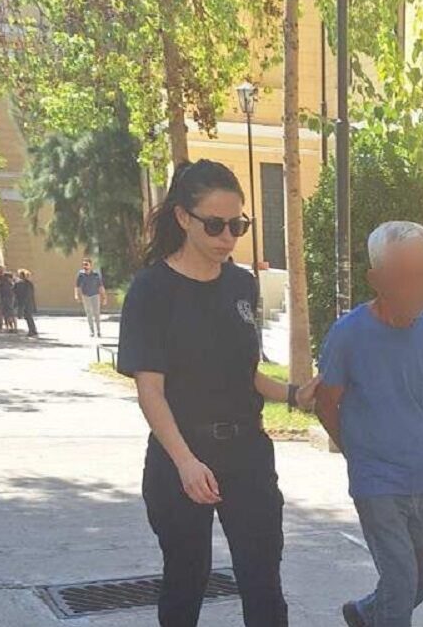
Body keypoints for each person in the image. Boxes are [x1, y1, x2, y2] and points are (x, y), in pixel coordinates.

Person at [117, 159, 316, 627]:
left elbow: (245, 374)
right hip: (180, 456)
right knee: (187, 578)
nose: (227, 237)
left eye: (237, 225)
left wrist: (293, 395)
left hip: (247, 454)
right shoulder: (152, 290)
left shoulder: (241, 284)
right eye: (215, 225)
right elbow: (150, 391)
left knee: (263, 580)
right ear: (183, 218)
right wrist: (186, 462)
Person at [315, 222, 423, 627]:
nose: (417, 288)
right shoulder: (348, 334)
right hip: (376, 479)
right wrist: (359, 453)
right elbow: (326, 403)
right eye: (404, 277)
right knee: (401, 577)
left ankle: (364, 614)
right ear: (375, 279)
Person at [75, 257, 107, 338]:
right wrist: (76, 295)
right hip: (85, 296)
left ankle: (98, 331)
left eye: (86, 264)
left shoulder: (96, 274)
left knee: (97, 313)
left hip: (95, 295)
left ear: (90, 265)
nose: (85, 266)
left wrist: (104, 297)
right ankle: (92, 331)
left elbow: (101, 286)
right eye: (83, 265)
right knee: (89, 313)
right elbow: (77, 286)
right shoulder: (81, 275)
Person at [14, 269, 38, 337]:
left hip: (26, 302)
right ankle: (32, 330)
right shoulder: (27, 283)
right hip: (28, 302)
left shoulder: (24, 284)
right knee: (28, 317)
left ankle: (32, 330)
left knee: (28, 317)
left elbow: (17, 291)